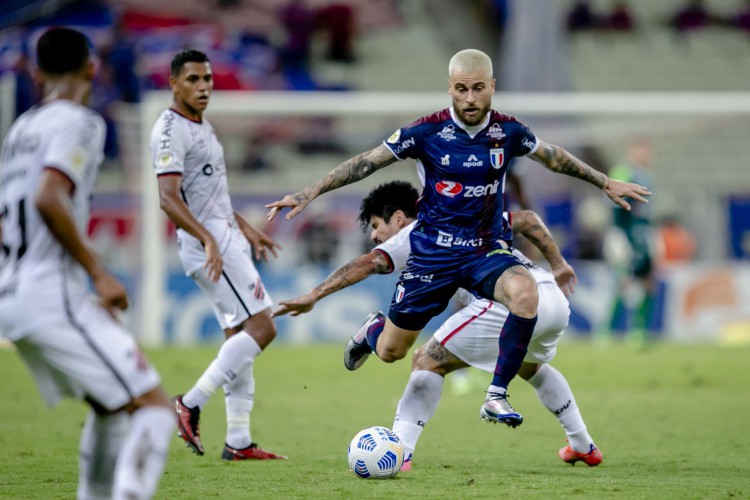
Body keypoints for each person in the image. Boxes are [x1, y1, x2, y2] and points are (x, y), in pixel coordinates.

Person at [267, 48, 650, 428]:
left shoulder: (509, 131)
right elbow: (364, 162)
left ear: (492, 87)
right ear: (449, 88)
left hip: (486, 250)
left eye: (478, 88)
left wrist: (603, 182)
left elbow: (553, 157)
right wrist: (309, 193)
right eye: (462, 89)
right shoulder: (424, 133)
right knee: (391, 352)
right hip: (434, 255)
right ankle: (374, 330)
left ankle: (496, 395)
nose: (470, 98)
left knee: (525, 293)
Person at [273, 181, 600, 469]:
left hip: (509, 303)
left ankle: (399, 453)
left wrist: (316, 293)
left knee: (426, 361)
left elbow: (369, 262)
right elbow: (527, 219)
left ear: (398, 218)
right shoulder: (468, 217)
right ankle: (583, 446)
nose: (373, 235)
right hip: (550, 297)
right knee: (531, 366)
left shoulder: (415, 234)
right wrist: (559, 264)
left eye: (375, 225)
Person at [0, 27, 174, 499]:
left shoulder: (20, 130)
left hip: (14, 293)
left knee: (108, 404)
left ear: (35, 75)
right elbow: (47, 196)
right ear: (93, 68)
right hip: (49, 294)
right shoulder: (80, 122)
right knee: (156, 409)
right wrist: (97, 270)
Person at [150, 49, 286, 461]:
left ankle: (239, 441)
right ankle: (188, 404)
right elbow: (168, 199)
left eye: (207, 78)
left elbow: (213, 198)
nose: (204, 86)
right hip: (212, 248)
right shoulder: (171, 130)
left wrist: (247, 229)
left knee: (239, 338)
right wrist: (210, 240)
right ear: (174, 83)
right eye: (193, 79)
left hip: (225, 238)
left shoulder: (202, 125)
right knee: (263, 328)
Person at [605, 137, 655, 345]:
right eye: (642, 151)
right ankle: (607, 331)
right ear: (632, 151)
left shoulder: (648, 176)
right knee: (623, 282)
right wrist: (623, 236)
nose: (646, 155)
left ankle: (639, 331)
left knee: (647, 281)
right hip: (623, 233)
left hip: (642, 233)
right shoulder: (621, 172)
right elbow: (615, 206)